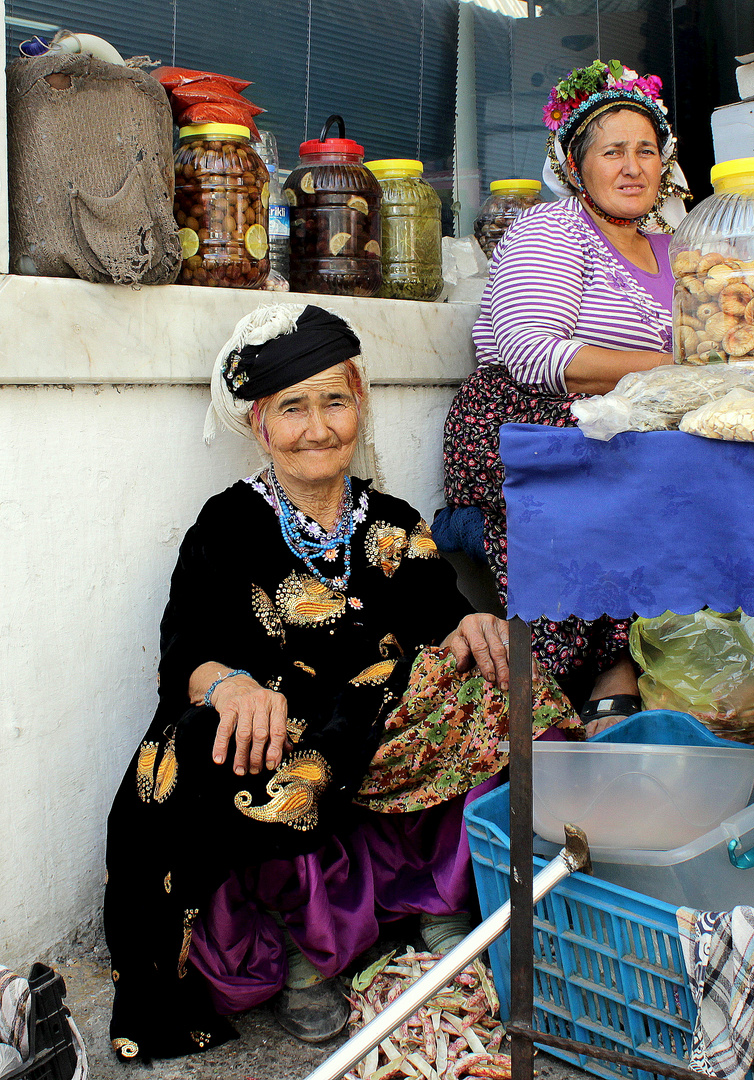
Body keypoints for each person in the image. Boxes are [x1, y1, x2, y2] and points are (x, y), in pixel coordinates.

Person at [104, 304, 578, 1061]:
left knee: (512, 684)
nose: (318, 426)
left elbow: (439, 615)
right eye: (293, 407)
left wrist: (472, 629)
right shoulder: (227, 524)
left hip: (369, 714)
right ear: (259, 424)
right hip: (281, 725)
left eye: (334, 400)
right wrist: (229, 686)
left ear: (359, 402)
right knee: (226, 746)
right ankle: (302, 946)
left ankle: (442, 898)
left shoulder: (388, 520)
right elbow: (185, 647)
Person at [441, 60, 690, 731]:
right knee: (600, 481)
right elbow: (528, 352)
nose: (633, 166)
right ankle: (562, 689)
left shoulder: (676, 249)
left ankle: (630, 679)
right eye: (613, 151)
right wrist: (672, 369)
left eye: (646, 150)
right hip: (516, 416)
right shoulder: (551, 229)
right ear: (577, 167)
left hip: (623, 424)